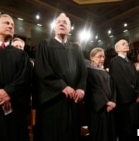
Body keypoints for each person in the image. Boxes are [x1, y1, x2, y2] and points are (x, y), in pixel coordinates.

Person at [33, 13, 87, 141]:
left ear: (70, 28)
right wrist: (62, 86)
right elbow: (42, 70)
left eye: (65, 22)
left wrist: (81, 88)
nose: (61, 24)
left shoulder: (76, 49)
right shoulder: (45, 45)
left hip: (72, 102)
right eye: (58, 22)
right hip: (53, 102)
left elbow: (83, 72)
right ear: (54, 27)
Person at [109, 39, 139, 141]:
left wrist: (138, 92)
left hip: (134, 99)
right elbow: (120, 82)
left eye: (127, 43)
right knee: (125, 129)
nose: (126, 44)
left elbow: (137, 79)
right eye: (123, 44)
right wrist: (134, 94)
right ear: (117, 49)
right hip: (124, 101)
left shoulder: (130, 62)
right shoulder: (114, 62)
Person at [84, 47, 117, 141]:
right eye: (99, 56)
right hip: (98, 110)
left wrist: (113, 101)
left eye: (103, 56)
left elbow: (113, 88)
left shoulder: (106, 73)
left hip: (110, 109)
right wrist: (106, 102)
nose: (102, 59)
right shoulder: (88, 71)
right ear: (92, 58)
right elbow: (92, 89)